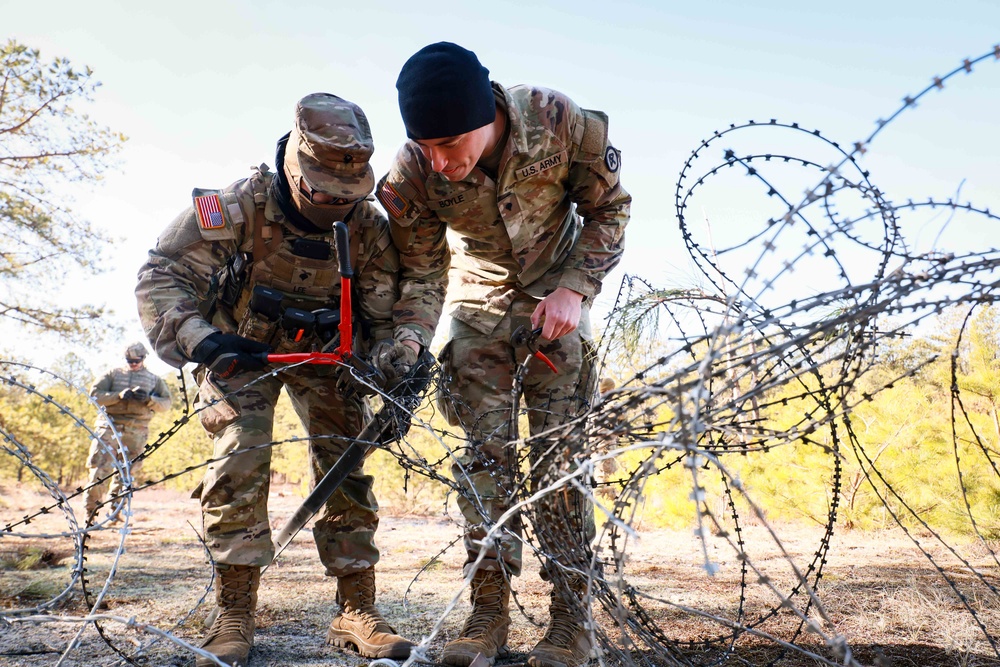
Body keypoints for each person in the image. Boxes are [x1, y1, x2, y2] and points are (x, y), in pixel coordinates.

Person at [135, 94, 416, 667]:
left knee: (346, 466)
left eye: (347, 194)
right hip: (240, 348)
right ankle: (235, 610)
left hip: (331, 353)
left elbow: (387, 314)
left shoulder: (368, 228)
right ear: (294, 168)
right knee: (239, 456)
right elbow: (161, 275)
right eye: (323, 193)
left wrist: (394, 375)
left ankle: (356, 609)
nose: (335, 204)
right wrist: (200, 341)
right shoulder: (237, 207)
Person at [377, 42, 631, 667]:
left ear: (485, 116)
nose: (442, 162)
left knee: (558, 461)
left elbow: (609, 209)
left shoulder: (556, 119)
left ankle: (572, 621)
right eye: (427, 146)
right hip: (478, 305)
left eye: (452, 143)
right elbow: (421, 268)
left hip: (557, 301)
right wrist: (411, 336)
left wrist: (575, 288)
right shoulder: (412, 172)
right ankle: (486, 615)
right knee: (484, 460)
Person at [85, 342, 171, 519]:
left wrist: (149, 399)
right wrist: (118, 396)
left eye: (136, 361)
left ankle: (115, 513)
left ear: (143, 359)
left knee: (126, 473)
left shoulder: (154, 380)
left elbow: (166, 403)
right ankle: (90, 513)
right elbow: (94, 395)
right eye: (129, 361)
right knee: (99, 469)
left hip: (137, 429)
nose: (133, 364)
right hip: (109, 426)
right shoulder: (112, 374)